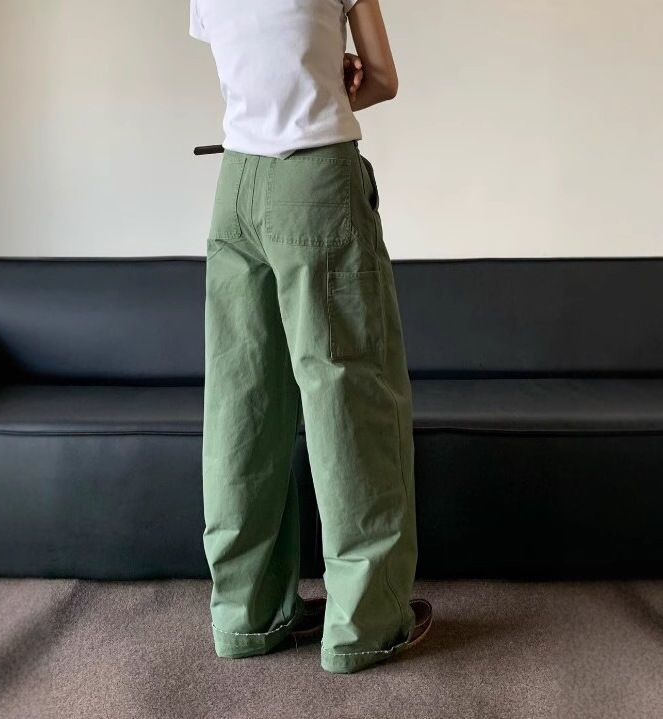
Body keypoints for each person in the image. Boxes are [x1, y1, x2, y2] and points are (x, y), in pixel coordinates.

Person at [190, 0, 432, 674]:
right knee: (350, 394)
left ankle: (247, 614)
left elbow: (252, 68)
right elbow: (381, 78)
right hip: (315, 180)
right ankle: (365, 624)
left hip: (235, 185)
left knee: (242, 401)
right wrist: (333, 80)